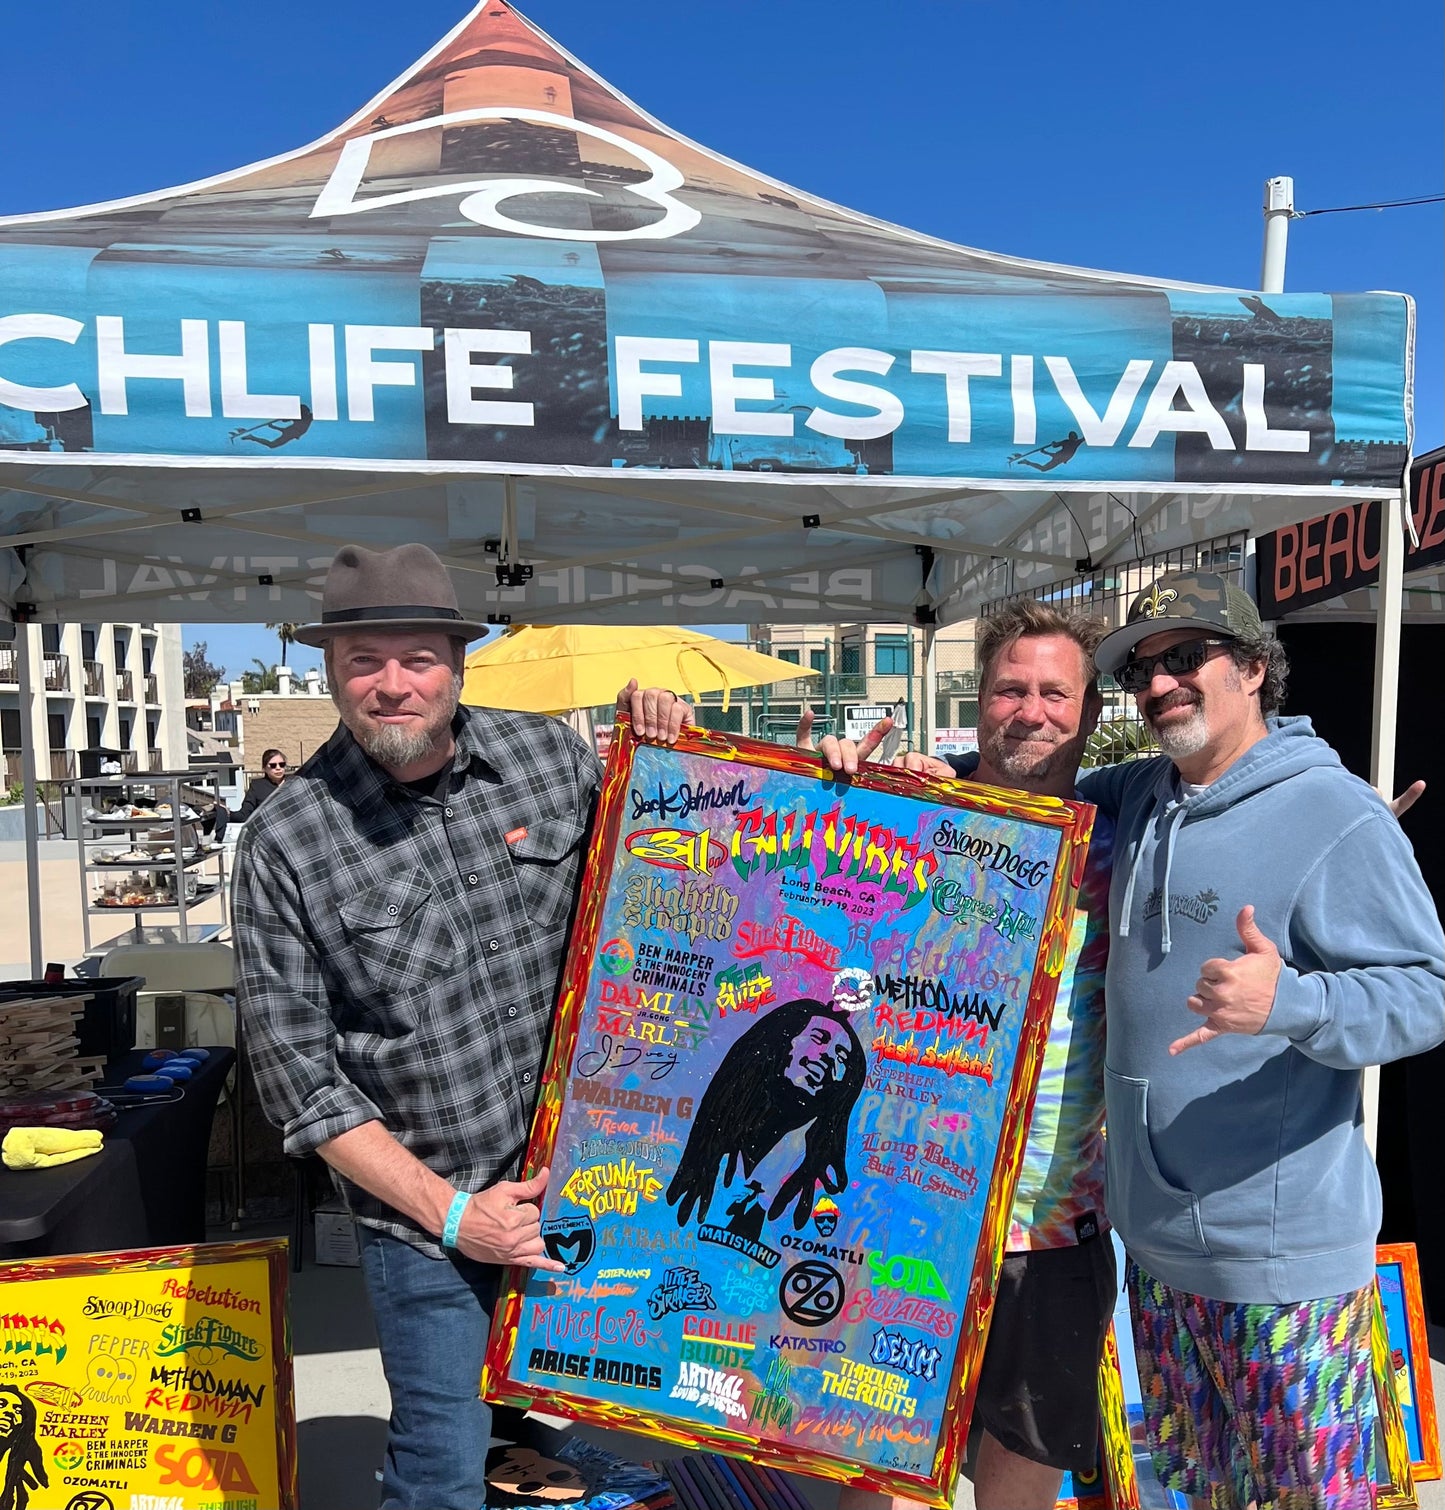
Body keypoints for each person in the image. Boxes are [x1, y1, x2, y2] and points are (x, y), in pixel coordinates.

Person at [232, 542, 688, 1510]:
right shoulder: (287, 837)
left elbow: (677, 878)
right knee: (441, 1468)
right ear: (330, 671)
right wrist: (453, 1214)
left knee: (608, 1433)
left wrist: (682, 755)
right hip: (428, 1224)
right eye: (364, 661)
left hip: (596, 1188)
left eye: (417, 657)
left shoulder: (545, 755)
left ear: (457, 661)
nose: (391, 685)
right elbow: (299, 1085)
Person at [1076, 570, 1445, 1510]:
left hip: (1281, 1270)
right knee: (1205, 1493)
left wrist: (1293, 1004)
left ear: (1252, 667)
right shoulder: (1140, 791)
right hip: (1155, 1254)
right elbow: (1013, 793)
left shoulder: (1335, 814)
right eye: (1142, 670)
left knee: (1314, 1499)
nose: (1158, 685)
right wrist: (884, 778)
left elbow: (1424, 995)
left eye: (1184, 657)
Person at [802, 597, 1117, 1510]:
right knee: (879, 1469)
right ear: (976, 699)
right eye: (1009, 689)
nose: (1031, 710)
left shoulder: (1122, 838)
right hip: (895, 1204)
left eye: (1056, 693)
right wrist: (839, 781)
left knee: (1023, 1471)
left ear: (1090, 713)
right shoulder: (901, 814)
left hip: (1052, 1226)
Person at [202, 747, 287, 844]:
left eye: (282, 764)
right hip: (269, 837)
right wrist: (226, 812)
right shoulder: (257, 786)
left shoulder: (294, 782)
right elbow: (243, 815)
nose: (278, 768)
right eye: (273, 765)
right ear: (264, 768)